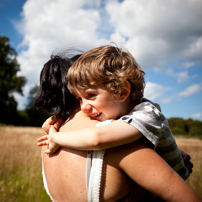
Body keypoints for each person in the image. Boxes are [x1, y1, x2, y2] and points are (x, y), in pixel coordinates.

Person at [34, 53, 202, 202]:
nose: (85, 106)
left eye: (91, 95)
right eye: (81, 98)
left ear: (121, 91)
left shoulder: (49, 140)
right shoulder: (116, 140)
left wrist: (55, 133)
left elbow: (98, 137)